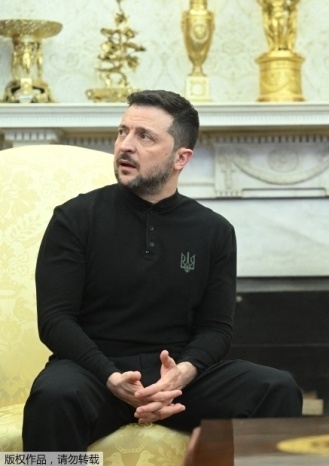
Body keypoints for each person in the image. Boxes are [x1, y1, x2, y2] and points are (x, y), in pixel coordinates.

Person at [23, 90, 303, 451]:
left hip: (178, 380)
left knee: (277, 388)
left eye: (145, 136)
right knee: (54, 395)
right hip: (93, 374)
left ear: (180, 158)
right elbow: (55, 320)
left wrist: (183, 373)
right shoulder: (74, 218)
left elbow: (216, 328)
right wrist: (110, 376)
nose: (126, 145)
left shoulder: (213, 231)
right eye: (123, 131)